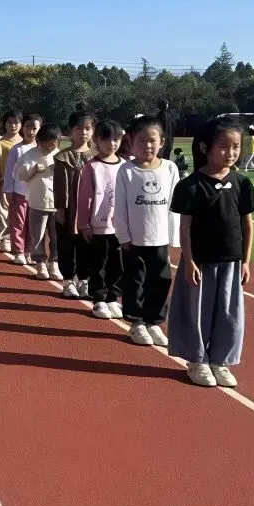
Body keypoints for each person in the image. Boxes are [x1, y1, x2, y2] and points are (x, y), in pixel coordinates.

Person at [169, 117, 254, 388]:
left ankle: (220, 360)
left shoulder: (242, 183)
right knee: (198, 312)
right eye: (223, 146)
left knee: (229, 314)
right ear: (205, 147)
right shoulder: (190, 186)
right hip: (201, 261)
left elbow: (247, 224)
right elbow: (185, 227)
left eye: (236, 147)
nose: (231, 153)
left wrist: (246, 261)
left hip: (231, 260)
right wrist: (188, 261)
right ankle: (197, 360)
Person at [113, 115, 180, 347]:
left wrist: (173, 237)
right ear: (131, 142)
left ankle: (154, 321)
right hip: (135, 239)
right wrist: (123, 236)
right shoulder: (126, 171)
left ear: (162, 142)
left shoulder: (170, 168)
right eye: (141, 141)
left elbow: (174, 206)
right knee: (135, 281)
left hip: (159, 238)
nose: (147, 146)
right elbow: (120, 207)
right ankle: (136, 322)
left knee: (160, 281)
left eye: (152, 140)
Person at [77, 119, 126, 320]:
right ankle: (99, 298)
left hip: (120, 227)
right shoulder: (92, 167)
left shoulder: (125, 166)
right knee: (99, 264)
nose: (111, 144)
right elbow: (84, 197)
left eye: (116, 139)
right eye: (106, 139)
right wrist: (84, 223)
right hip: (98, 225)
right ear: (96, 140)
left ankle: (113, 297)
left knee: (118, 264)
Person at [53, 111, 95, 297]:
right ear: (70, 131)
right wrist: (60, 208)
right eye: (79, 128)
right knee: (67, 245)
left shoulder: (97, 157)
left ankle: (84, 280)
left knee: (87, 246)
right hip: (69, 209)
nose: (83, 132)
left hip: (90, 211)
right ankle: (68, 280)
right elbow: (59, 185)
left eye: (88, 128)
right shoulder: (62, 157)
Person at [16, 122, 62, 279]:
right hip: (37, 201)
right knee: (38, 234)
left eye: (54, 144)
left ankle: (54, 263)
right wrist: (34, 169)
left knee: (56, 235)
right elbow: (20, 176)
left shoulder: (59, 155)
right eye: (47, 144)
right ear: (39, 141)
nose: (51, 147)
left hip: (57, 203)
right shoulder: (29, 155)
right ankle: (40, 262)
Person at [3, 113, 41, 265]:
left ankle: (29, 251)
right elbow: (9, 172)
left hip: (37, 194)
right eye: (28, 127)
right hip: (19, 192)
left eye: (34, 128)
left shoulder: (41, 149)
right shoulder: (16, 149)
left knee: (33, 224)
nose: (31, 131)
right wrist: (8, 190)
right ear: (22, 128)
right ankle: (18, 251)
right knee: (18, 223)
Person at [0, 110, 23, 252]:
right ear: (4, 124)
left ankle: (20, 240)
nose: (13, 125)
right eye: (9, 122)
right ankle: (5, 239)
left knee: (20, 213)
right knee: (3, 212)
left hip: (23, 184)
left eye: (16, 122)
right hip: (5, 183)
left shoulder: (25, 143)